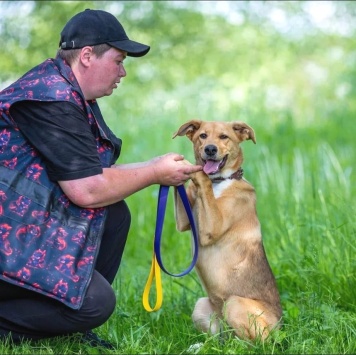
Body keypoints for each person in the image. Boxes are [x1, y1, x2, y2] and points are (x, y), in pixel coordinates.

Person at [0, 8, 202, 348]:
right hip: (8, 240)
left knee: (114, 213)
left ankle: (65, 321)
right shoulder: (51, 98)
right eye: (119, 60)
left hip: (17, 222)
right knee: (95, 303)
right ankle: (56, 320)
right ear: (87, 56)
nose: (123, 72)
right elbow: (88, 190)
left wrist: (156, 165)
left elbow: (87, 175)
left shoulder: (66, 91)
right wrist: (154, 173)